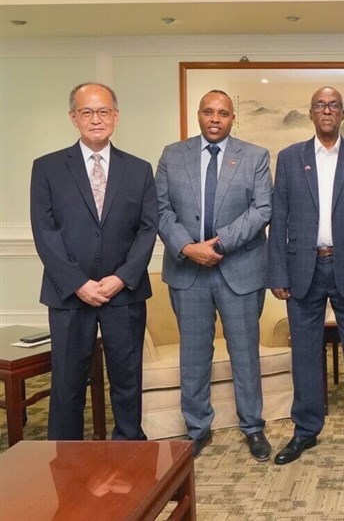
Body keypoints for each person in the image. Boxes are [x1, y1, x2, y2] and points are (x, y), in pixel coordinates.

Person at [30, 82, 157, 440]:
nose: (96, 119)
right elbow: (46, 234)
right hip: (70, 295)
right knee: (68, 383)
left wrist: (121, 278)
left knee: (127, 380)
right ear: (73, 118)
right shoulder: (48, 168)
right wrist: (78, 283)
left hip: (124, 294)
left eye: (103, 111)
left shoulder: (139, 169)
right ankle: (66, 458)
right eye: (87, 112)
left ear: (115, 117)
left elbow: (147, 231)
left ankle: (129, 449)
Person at [267, 87, 344, 464]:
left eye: (334, 105)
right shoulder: (289, 159)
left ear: (343, 113)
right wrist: (278, 273)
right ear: (311, 113)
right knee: (304, 353)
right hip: (303, 267)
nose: (327, 110)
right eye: (321, 105)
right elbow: (278, 218)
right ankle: (305, 431)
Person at [155, 90, 273, 460]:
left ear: (232, 118)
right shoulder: (172, 156)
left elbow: (262, 209)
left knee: (244, 352)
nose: (215, 119)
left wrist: (218, 246)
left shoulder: (254, 156)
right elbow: (160, 209)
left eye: (223, 113)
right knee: (194, 353)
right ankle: (196, 428)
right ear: (199, 114)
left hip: (238, 269)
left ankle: (253, 427)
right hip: (187, 270)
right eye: (209, 111)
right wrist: (189, 248)